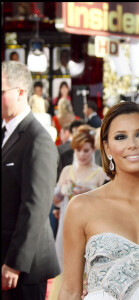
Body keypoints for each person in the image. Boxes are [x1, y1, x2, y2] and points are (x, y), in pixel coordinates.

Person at [58, 102, 139, 300]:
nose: (132, 144)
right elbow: (70, 291)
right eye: (121, 137)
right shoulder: (81, 207)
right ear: (107, 148)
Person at [1, 61, 60, 299]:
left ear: (21, 92)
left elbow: (35, 207)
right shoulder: (7, 133)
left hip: (24, 267)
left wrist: (15, 262)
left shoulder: (38, 140)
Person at [50, 125, 108, 299]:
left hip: (91, 228)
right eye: (78, 150)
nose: (82, 154)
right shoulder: (67, 170)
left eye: (86, 150)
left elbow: (106, 206)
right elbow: (55, 200)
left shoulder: (100, 173)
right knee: (64, 266)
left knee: (86, 266)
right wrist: (63, 190)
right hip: (65, 225)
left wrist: (90, 192)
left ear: (92, 150)